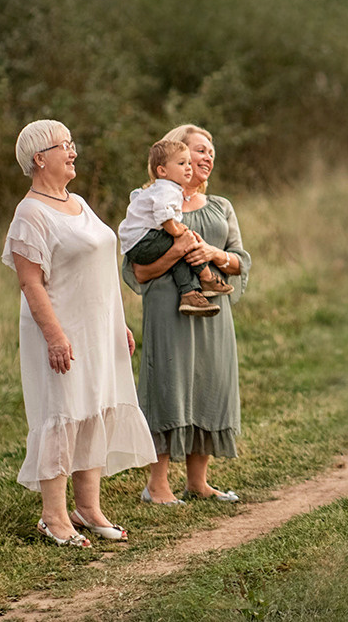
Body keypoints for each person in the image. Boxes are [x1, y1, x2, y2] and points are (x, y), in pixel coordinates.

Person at [2, 120, 157, 547]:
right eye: (64, 146)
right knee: (61, 416)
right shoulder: (30, 213)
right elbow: (31, 282)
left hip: (98, 330)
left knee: (94, 410)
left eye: (73, 143)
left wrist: (118, 323)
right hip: (60, 332)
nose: (73, 152)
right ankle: (53, 516)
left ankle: (87, 508)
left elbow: (100, 270)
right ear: (39, 158)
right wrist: (54, 336)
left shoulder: (79, 202)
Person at [127, 124, 250, 505]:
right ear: (174, 157)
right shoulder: (151, 203)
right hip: (167, 310)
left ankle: (198, 481)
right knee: (169, 386)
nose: (207, 157)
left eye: (211, 151)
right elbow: (139, 270)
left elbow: (240, 261)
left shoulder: (220, 207)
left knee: (210, 384)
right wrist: (179, 251)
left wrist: (214, 255)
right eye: (198, 150)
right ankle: (157, 485)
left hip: (215, 310)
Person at [118, 139, 232, 318]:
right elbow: (163, 213)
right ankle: (207, 278)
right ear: (162, 170)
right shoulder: (167, 189)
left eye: (188, 162)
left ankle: (189, 295)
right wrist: (176, 231)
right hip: (142, 241)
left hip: (137, 243)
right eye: (181, 163)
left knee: (179, 251)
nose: (188, 167)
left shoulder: (161, 189)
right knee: (185, 240)